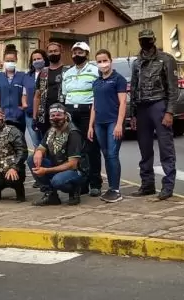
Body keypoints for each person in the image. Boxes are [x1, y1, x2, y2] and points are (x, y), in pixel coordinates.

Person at [130, 29, 179, 200]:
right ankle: (147, 185)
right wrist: (133, 114)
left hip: (159, 105)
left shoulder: (166, 59)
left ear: (154, 39)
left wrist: (169, 112)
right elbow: (134, 89)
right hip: (142, 108)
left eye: (148, 39)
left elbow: (173, 89)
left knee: (166, 147)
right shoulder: (136, 63)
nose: (145, 42)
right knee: (145, 149)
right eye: (142, 39)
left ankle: (168, 186)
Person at [60, 41, 102, 197]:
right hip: (71, 112)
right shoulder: (68, 73)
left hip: (88, 111)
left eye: (80, 52)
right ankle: (82, 183)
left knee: (91, 148)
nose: (77, 55)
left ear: (87, 54)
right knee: (76, 150)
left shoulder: (94, 70)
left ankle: (95, 183)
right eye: (75, 53)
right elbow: (64, 95)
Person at [88, 49, 128, 203]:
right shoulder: (96, 82)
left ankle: (115, 190)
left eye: (105, 60)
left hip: (113, 122)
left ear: (111, 61)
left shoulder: (119, 79)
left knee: (112, 155)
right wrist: (91, 126)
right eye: (99, 61)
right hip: (99, 123)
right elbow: (94, 104)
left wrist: (119, 124)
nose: (102, 64)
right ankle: (111, 187)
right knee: (106, 155)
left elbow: (123, 102)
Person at [27, 103, 84, 206]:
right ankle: (50, 195)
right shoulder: (51, 130)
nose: (55, 118)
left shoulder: (73, 133)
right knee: (32, 160)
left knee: (57, 181)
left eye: (59, 115)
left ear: (65, 116)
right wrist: (39, 152)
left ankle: (74, 190)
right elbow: (41, 146)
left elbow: (72, 164)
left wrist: (46, 170)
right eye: (52, 115)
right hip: (56, 165)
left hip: (73, 170)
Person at [33, 42, 65, 137]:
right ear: (47, 54)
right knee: (46, 143)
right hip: (45, 115)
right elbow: (37, 96)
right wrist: (35, 117)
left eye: (55, 51)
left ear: (61, 52)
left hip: (62, 114)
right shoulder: (43, 72)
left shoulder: (67, 71)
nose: (53, 53)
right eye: (50, 51)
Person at [0, 45, 27, 133]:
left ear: (16, 61)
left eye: (12, 61)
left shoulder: (23, 76)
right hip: (3, 116)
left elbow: (25, 93)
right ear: (4, 61)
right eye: (7, 61)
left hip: (18, 115)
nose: (10, 63)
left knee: (19, 140)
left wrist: (23, 107)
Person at [25, 49, 48, 150]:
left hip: (45, 115)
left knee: (47, 144)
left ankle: (48, 165)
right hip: (30, 115)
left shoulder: (49, 73)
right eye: (34, 59)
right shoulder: (27, 76)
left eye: (39, 58)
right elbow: (23, 93)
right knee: (36, 144)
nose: (36, 61)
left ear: (44, 59)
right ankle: (39, 164)